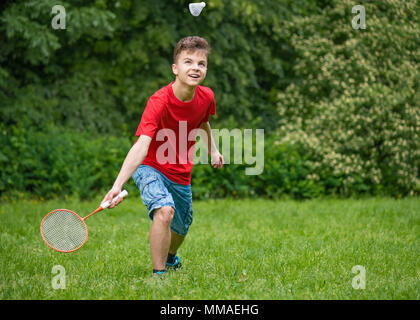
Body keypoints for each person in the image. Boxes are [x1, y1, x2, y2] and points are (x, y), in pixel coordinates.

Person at [102, 36, 224, 276]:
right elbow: (141, 145)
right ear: (175, 69)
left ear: (206, 69)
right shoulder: (158, 101)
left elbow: (203, 121)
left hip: (180, 171)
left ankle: (169, 257)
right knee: (164, 210)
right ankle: (159, 276)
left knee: (182, 225)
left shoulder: (206, 96)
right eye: (188, 62)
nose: (195, 68)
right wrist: (118, 185)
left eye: (201, 64)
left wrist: (213, 149)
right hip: (150, 166)